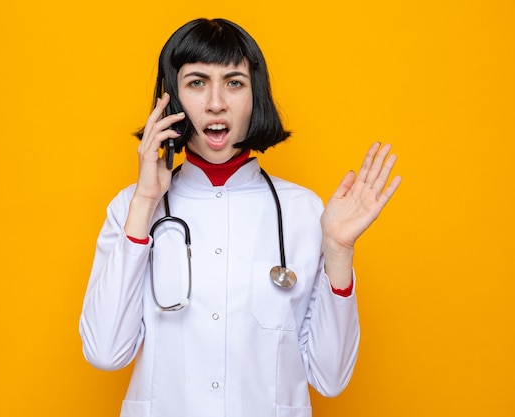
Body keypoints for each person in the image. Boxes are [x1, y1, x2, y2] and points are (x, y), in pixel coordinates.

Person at [80, 18, 401, 417]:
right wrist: (146, 201)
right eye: (197, 82)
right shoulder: (132, 208)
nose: (217, 102)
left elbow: (330, 378)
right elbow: (105, 352)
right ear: (172, 100)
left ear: (255, 97)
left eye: (234, 82)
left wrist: (338, 250)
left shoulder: (305, 212)